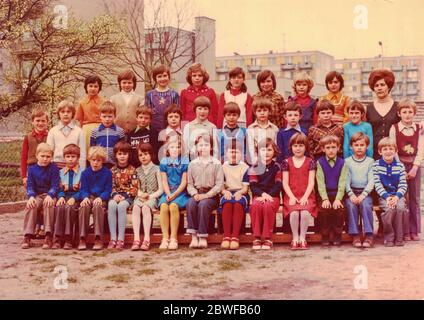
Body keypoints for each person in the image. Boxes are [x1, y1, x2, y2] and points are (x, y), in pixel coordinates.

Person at [389, 98, 423, 241]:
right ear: (399, 113)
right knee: (403, 197)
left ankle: (414, 230)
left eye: (410, 112)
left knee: (414, 199)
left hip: (414, 165)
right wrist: (400, 168)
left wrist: (415, 167)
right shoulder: (394, 128)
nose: (407, 115)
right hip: (399, 165)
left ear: (414, 113)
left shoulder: (419, 128)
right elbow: (393, 149)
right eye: (404, 112)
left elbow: (421, 149)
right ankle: (404, 231)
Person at [186, 134, 224, 249]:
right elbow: (189, 184)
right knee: (190, 203)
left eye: (206, 145)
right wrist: (194, 194)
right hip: (197, 193)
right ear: (197, 147)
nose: (203, 147)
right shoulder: (192, 164)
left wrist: (207, 195)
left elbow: (219, 185)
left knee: (203, 204)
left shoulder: (216, 163)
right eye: (200, 145)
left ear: (211, 147)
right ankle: (193, 236)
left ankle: (202, 236)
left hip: (211, 195)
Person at [282, 133, 317, 250]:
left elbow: (311, 182)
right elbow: (285, 183)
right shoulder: (286, 162)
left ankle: (303, 238)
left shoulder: (310, 162)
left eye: (301, 145)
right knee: (294, 213)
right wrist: (291, 197)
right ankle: (295, 238)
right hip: (292, 195)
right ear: (291, 147)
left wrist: (305, 197)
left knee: (305, 212)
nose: (298, 148)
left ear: (306, 147)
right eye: (295, 145)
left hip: (306, 195)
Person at [21, 143, 60, 249]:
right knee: (32, 205)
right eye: (42, 156)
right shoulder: (32, 169)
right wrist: (31, 197)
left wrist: (50, 195)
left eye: (48, 157)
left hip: (50, 195)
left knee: (49, 205)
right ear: (37, 155)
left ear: (51, 157)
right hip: (37, 195)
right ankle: (28, 235)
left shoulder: (54, 168)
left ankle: (48, 234)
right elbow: (30, 186)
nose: (45, 159)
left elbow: (55, 185)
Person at [373, 138, 408, 247]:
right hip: (384, 196)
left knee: (400, 208)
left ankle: (399, 237)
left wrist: (397, 197)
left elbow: (403, 184)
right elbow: (377, 184)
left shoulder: (400, 166)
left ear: (396, 151)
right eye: (385, 149)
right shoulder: (376, 165)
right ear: (380, 151)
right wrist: (387, 197)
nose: (388, 151)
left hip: (398, 195)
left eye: (391, 149)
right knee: (389, 209)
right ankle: (389, 236)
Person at [157, 135, 189, 250]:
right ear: (167, 149)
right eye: (172, 147)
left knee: (174, 206)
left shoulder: (185, 161)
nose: (175, 149)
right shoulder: (164, 162)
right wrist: (168, 193)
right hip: (168, 192)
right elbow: (164, 181)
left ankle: (173, 237)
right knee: (164, 206)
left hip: (180, 193)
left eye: (177, 147)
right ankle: (165, 238)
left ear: (181, 149)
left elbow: (184, 182)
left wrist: (174, 195)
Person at [20, 107, 49, 237]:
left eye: (43, 121)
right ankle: (35, 226)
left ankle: (43, 226)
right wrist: (24, 176)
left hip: (45, 169)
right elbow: (23, 157)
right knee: (33, 199)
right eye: (37, 120)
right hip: (32, 170)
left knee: (44, 199)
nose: (40, 123)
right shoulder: (28, 137)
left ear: (47, 122)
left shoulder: (50, 135)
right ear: (32, 122)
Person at [248, 138, 281, 250]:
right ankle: (257, 237)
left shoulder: (277, 167)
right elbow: (253, 186)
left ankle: (267, 237)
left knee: (267, 206)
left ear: (274, 151)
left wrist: (269, 196)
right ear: (258, 152)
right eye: (263, 150)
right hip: (259, 196)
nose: (266, 152)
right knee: (255, 206)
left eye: (269, 149)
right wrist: (262, 194)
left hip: (273, 196)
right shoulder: (255, 167)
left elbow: (278, 185)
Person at [78, 146, 112, 251]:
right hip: (89, 197)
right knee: (84, 207)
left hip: (101, 198)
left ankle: (98, 238)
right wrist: (85, 197)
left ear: (103, 161)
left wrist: (101, 198)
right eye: (93, 160)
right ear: (89, 160)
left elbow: (108, 189)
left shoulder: (107, 173)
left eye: (98, 160)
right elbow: (83, 188)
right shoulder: (85, 173)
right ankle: (82, 237)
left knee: (98, 207)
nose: (96, 163)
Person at [316, 135, 347, 246]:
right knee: (324, 210)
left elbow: (342, 183)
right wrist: (324, 199)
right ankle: (325, 234)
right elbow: (320, 183)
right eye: (328, 147)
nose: (331, 150)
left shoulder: (342, 163)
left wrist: (338, 199)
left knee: (339, 210)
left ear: (338, 148)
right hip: (324, 194)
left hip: (338, 194)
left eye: (333, 147)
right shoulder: (320, 162)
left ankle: (338, 233)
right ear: (323, 149)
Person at [345, 132, 375, 248]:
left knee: (366, 205)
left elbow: (371, 180)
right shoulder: (347, 161)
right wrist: (351, 194)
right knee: (351, 205)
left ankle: (369, 234)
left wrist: (364, 194)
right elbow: (346, 180)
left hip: (365, 193)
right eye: (356, 145)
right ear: (351, 147)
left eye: (362, 145)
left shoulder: (370, 161)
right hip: (351, 192)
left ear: (366, 146)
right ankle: (355, 234)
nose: (359, 148)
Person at [131, 143, 163, 251]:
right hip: (140, 197)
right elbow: (135, 187)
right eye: (140, 155)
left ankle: (146, 239)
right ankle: (136, 239)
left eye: (145, 154)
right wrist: (140, 194)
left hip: (153, 197)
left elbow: (161, 189)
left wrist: (150, 196)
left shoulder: (157, 169)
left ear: (151, 155)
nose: (143, 157)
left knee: (145, 208)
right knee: (135, 207)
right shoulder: (137, 170)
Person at [107, 141, 138, 250]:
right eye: (120, 154)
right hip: (115, 196)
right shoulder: (112, 170)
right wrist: (115, 195)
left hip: (127, 197)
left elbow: (135, 188)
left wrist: (125, 196)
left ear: (129, 155)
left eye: (125, 154)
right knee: (111, 206)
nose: (122, 156)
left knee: (121, 206)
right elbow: (110, 186)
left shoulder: (133, 170)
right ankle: (113, 238)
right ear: (115, 155)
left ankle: (121, 239)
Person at [219, 140, 250, 250]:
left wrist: (239, 193)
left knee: (237, 204)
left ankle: (235, 236)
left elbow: (245, 188)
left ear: (241, 154)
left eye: (236, 152)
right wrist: (224, 192)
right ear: (226, 154)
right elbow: (221, 187)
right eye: (231, 152)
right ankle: (227, 236)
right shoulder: (223, 167)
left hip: (240, 191)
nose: (233, 154)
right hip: (227, 191)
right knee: (227, 204)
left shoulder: (245, 167)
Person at [53, 144, 83, 250]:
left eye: (73, 157)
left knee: (69, 208)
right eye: (68, 157)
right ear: (64, 157)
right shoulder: (60, 172)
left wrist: (74, 198)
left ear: (78, 158)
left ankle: (68, 238)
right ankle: (57, 238)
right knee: (60, 207)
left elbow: (83, 189)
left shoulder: (82, 173)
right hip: (63, 197)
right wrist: (61, 196)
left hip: (76, 198)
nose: (70, 159)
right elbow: (58, 188)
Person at [47, 100, 86, 169]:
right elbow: (49, 151)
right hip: (57, 166)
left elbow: (82, 152)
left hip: (74, 167)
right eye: (62, 112)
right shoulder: (53, 131)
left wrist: (82, 170)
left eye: (68, 112)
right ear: (58, 114)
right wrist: (50, 168)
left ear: (73, 114)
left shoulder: (79, 131)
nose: (65, 114)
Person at [145, 65, 180, 138]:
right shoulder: (150, 94)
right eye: (159, 76)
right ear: (155, 78)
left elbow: (178, 114)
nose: (162, 79)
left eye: (165, 76)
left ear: (169, 77)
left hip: (170, 130)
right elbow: (147, 114)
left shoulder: (174, 94)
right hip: (154, 130)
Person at [75, 75, 105, 154]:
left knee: (99, 151)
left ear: (99, 88)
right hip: (86, 130)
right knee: (87, 152)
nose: (93, 88)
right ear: (86, 87)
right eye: (90, 86)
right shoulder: (82, 102)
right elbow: (80, 121)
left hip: (101, 128)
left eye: (95, 86)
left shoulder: (104, 102)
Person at [89, 101, 125, 168]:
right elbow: (92, 149)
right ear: (100, 116)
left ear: (115, 116)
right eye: (104, 116)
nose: (107, 119)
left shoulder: (120, 131)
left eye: (110, 116)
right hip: (100, 164)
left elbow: (123, 149)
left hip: (115, 164)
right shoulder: (95, 131)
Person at [182, 96, 218, 160]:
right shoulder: (188, 126)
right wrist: (186, 165)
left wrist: (214, 163)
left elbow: (216, 149)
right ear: (195, 110)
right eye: (200, 108)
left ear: (209, 111)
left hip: (207, 161)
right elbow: (185, 149)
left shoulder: (213, 127)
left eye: (205, 109)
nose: (202, 112)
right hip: (192, 161)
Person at [246, 98, 278, 165]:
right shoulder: (251, 128)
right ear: (255, 112)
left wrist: (273, 161)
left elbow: (275, 146)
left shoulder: (274, 128)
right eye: (259, 111)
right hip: (256, 161)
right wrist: (254, 160)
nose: (262, 113)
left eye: (265, 110)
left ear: (269, 111)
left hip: (271, 161)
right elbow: (250, 147)